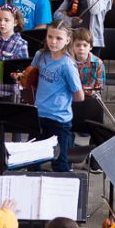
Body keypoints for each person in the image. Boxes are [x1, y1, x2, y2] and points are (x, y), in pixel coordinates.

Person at [30, 18, 83, 172]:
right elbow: (31, 77)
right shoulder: (40, 55)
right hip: (38, 115)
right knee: (31, 161)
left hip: (59, 120)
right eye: (50, 36)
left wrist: (60, 99)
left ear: (67, 40)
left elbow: (79, 96)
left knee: (59, 164)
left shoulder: (67, 65)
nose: (53, 41)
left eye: (59, 38)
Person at [70, 27, 105, 96]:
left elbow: (100, 87)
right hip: (71, 96)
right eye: (78, 45)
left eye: (85, 45)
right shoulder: (67, 62)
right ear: (72, 46)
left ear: (91, 47)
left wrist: (88, 91)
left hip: (90, 96)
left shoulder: (98, 63)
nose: (81, 48)